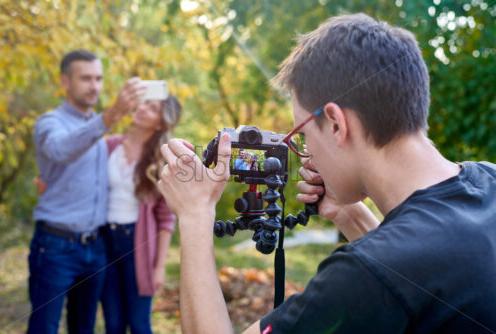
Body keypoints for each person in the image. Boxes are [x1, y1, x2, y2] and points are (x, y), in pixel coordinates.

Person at [156, 13, 496, 334]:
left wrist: (195, 215)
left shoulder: (361, 276)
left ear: (335, 123)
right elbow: (416, 278)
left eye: (302, 135)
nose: (305, 151)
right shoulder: (489, 179)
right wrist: (348, 215)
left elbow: (392, 275)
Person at [29, 49, 145, 334]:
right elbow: (61, 149)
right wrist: (113, 114)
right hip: (56, 246)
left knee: (84, 328)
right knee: (44, 328)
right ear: (65, 81)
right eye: (86, 79)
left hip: (95, 247)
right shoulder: (50, 123)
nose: (94, 86)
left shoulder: (98, 131)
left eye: (98, 78)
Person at [99, 95, 181, 333]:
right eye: (144, 103)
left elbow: (166, 219)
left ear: (160, 124)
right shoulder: (109, 146)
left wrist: (159, 266)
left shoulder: (160, 160)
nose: (143, 108)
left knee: (139, 323)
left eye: (152, 108)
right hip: (104, 241)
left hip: (138, 244)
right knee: (113, 323)